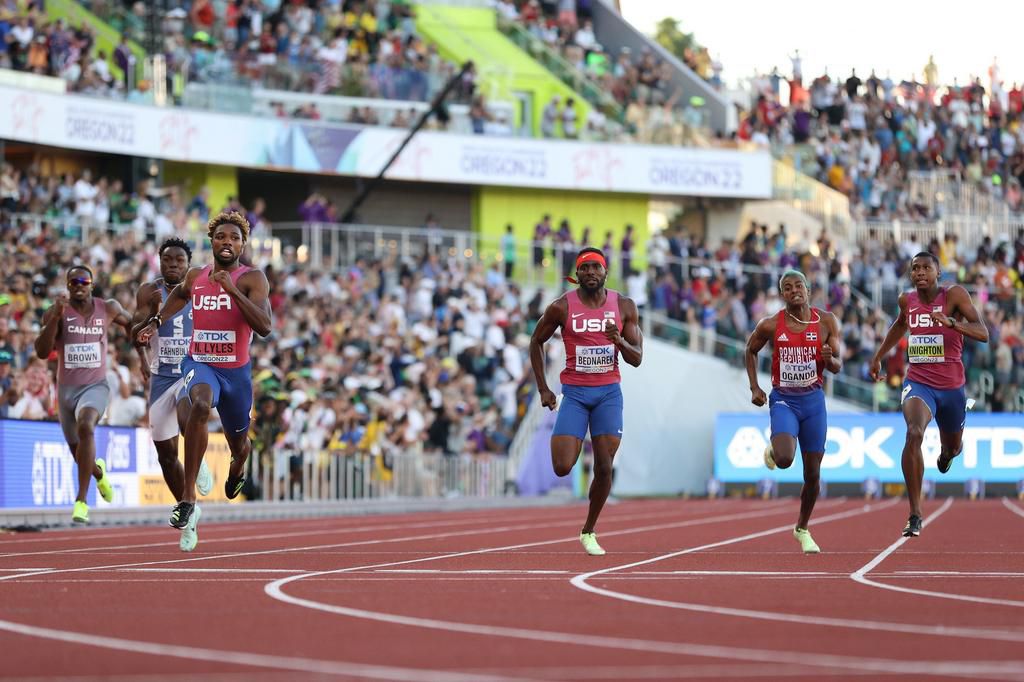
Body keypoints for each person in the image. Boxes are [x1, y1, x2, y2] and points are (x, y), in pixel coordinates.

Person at [137, 212, 272, 543]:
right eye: (221, 237)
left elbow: (265, 327)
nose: (227, 242)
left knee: (239, 445)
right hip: (201, 363)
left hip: (236, 374)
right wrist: (156, 320)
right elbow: (180, 295)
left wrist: (233, 292)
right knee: (198, 404)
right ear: (212, 242)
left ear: (242, 244)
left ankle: (238, 465)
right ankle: (188, 500)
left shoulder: (252, 278)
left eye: (235, 238)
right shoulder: (197, 276)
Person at [529, 247, 643, 555]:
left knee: (604, 467)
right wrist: (543, 388)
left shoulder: (624, 306)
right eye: (585, 268)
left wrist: (618, 340)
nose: (591, 272)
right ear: (576, 274)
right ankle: (575, 440)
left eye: (596, 267)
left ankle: (589, 530)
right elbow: (536, 341)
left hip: (608, 393)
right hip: (576, 394)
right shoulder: (561, 307)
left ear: (606, 272)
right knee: (563, 466)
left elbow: (637, 358)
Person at [870, 252, 988, 538]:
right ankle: (915, 513)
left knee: (953, 448)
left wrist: (952, 324)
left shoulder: (955, 295)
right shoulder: (906, 300)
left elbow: (983, 332)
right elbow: (900, 325)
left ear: (938, 272)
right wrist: (878, 356)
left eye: (926, 268)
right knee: (913, 432)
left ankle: (946, 456)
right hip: (919, 382)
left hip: (952, 388)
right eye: (915, 268)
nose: (920, 272)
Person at [745, 270, 842, 553]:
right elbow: (750, 351)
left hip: (813, 402)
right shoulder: (771, 324)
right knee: (786, 460)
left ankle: (802, 528)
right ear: (782, 294)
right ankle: (776, 449)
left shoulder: (825, 321)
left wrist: (830, 360)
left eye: (798, 285)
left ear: (809, 290)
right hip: (785, 399)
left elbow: (837, 365)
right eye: (787, 288)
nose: (793, 290)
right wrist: (755, 387)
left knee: (812, 475)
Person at [34, 265, 140, 523]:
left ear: (92, 284)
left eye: (84, 281)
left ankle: (81, 501)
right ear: (68, 286)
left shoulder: (109, 308)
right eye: (74, 282)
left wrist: (139, 349)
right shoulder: (56, 311)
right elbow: (41, 351)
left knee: (87, 426)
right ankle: (99, 473)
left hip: (95, 387)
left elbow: (132, 324)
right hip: (66, 392)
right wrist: (56, 319)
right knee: (79, 453)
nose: (79, 285)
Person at [132, 237, 213, 551]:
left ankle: (199, 459)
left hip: (191, 370)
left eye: (180, 260)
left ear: (188, 264)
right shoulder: (148, 291)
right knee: (166, 457)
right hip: (160, 378)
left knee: (187, 413)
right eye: (168, 260)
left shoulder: (200, 290)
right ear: (159, 261)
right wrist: (148, 316)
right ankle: (188, 511)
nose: (174, 265)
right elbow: (134, 334)